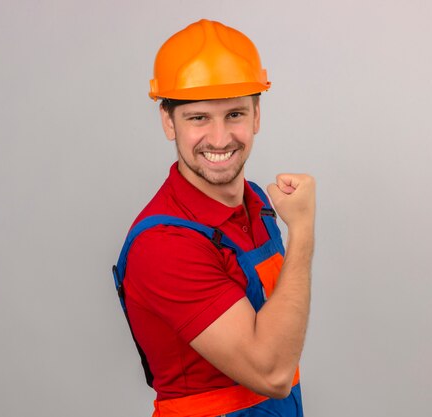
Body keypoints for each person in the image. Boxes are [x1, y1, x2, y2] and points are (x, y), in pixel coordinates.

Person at [113, 19, 315, 417]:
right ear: (169, 122)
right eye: (199, 118)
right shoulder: (165, 243)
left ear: (257, 115)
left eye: (235, 114)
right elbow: (272, 373)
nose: (220, 138)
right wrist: (304, 230)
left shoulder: (257, 202)